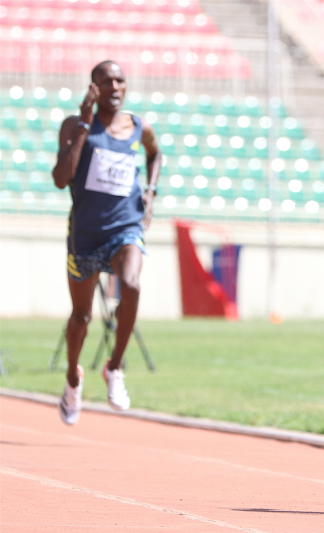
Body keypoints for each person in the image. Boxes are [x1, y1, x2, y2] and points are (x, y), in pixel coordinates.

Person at [53, 60, 161, 425]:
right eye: (106, 81)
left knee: (130, 285)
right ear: (94, 87)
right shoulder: (75, 124)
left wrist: (150, 191)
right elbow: (60, 177)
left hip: (125, 228)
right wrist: (84, 123)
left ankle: (114, 368)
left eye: (120, 80)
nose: (115, 86)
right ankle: (72, 378)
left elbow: (155, 153)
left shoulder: (138, 127)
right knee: (81, 316)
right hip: (84, 235)